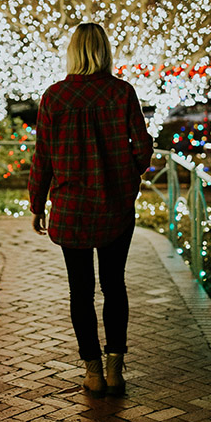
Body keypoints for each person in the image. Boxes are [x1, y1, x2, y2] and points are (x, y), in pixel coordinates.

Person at [27, 23, 153, 397]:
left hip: (70, 209)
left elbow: (43, 158)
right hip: (115, 207)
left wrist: (37, 204)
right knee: (115, 286)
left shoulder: (54, 98)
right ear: (104, 51)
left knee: (80, 291)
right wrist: (129, 176)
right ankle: (116, 368)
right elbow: (142, 147)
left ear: (73, 51)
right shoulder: (122, 93)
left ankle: (93, 372)